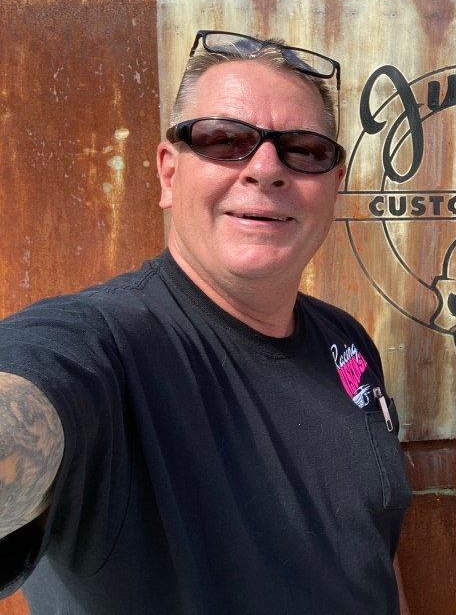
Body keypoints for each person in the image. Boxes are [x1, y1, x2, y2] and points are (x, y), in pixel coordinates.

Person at [0, 31, 411, 614]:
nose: (265, 169)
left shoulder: (347, 344)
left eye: (304, 150)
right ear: (169, 175)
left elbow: (372, 552)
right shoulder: (105, 346)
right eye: (225, 141)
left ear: (333, 186)